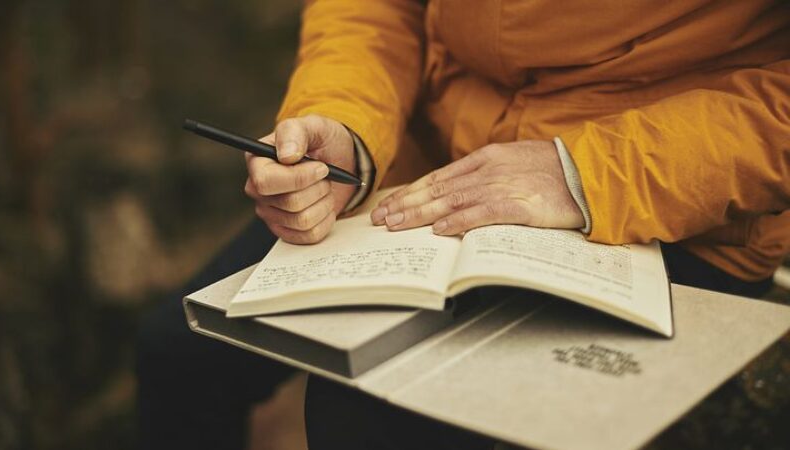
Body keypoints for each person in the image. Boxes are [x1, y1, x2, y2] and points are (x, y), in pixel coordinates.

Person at [137, 1, 790, 449]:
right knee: (178, 350)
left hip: (670, 200)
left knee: (368, 416)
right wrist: (345, 121)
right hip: (429, 166)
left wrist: (590, 171)